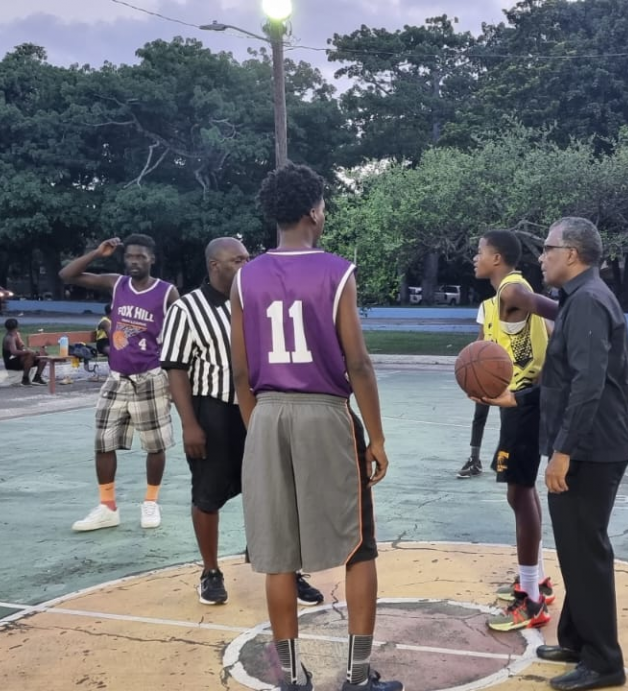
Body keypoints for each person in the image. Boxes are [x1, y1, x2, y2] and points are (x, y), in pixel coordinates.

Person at [231, 163, 399, 691]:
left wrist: (257, 428)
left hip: (266, 414)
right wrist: (376, 436)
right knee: (358, 547)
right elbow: (359, 365)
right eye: (323, 205)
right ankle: (357, 676)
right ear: (312, 211)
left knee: (278, 556)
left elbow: (240, 372)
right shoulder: (336, 271)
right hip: (324, 414)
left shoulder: (243, 276)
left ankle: (294, 678)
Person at [488, 217, 628, 691]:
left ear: (571, 254)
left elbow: (589, 387)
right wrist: (519, 399)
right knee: (574, 548)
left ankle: (604, 662)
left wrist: (563, 452)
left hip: (592, 448)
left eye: (548, 248)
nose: (541, 257)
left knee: (585, 551)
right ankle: (575, 638)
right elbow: (564, 380)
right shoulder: (579, 299)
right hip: (589, 443)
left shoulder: (589, 301)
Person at [161, 237, 322, 608]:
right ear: (214, 266)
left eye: (248, 258)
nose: (246, 265)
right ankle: (210, 572)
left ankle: (283, 568)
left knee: (277, 490)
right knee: (208, 494)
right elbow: (176, 369)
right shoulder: (187, 309)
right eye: (237, 260)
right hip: (214, 411)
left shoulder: (258, 302)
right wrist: (189, 423)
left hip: (262, 408)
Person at [470, 229, 561, 632]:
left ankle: (532, 600)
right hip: (515, 405)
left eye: (480, 252)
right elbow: (482, 354)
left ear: (498, 258)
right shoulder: (492, 304)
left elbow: (559, 311)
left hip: (527, 404)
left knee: (519, 493)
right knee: (521, 492)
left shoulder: (512, 290)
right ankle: (535, 579)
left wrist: (582, 311)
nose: (475, 258)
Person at [60, 235, 178, 533]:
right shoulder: (117, 284)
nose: (134, 261)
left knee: (155, 445)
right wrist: (96, 253)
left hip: (151, 376)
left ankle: (150, 502)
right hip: (117, 377)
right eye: (129, 257)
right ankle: (107, 506)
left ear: (152, 259)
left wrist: (175, 382)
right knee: (103, 442)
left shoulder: (167, 293)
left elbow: (179, 338)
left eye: (140, 257)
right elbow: (67, 275)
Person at [459, 306, 491, 480]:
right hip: (488, 370)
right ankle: (475, 460)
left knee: (509, 420)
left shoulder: (520, 302)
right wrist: (470, 360)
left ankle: (505, 460)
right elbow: (482, 336)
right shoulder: (488, 306)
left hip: (513, 370)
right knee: (479, 415)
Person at [1, 318, 47, 386]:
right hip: (11, 362)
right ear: (17, 326)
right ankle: (25, 379)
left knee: (43, 355)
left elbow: (22, 347)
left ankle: (37, 377)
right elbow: (14, 352)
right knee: (29, 355)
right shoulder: (10, 338)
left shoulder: (16, 334)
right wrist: (28, 352)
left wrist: (33, 352)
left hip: (19, 359)